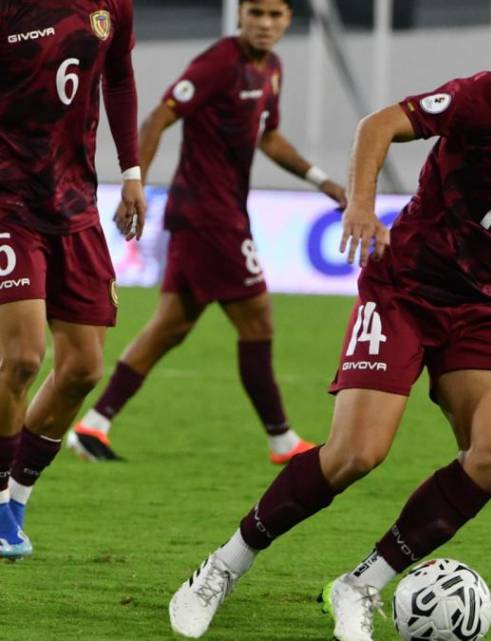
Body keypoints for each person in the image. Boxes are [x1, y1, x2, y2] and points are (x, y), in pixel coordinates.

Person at [167, 15, 491, 641]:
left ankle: (361, 584)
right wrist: (362, 205)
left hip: (486, 305)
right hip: (406, 288)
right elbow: (379, 125)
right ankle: (223, 566)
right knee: (356, 454)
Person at [67, 0, 346, 464]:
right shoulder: (218, 63)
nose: (265, 24)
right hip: (208, 216)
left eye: (275, 15)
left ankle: (93, 426)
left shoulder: (271, 68)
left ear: (288, 21)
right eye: (256, 13)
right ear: (240, 15)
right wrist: (135, 183)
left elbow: (268, 136)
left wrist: (323, 180)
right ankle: (282, 440)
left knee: (168, 327)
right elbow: (159, 117)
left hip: (216, 213)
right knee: (257, 319)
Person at [0, 0, 146, 559]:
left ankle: (16, 497)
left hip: (75, 202)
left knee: (83, 367)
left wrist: (131, 172)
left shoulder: (113, 5)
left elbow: (120, 76)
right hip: (9, 201)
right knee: (22, 359)